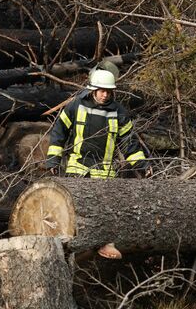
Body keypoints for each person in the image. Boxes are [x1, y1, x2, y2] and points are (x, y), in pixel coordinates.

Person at [45, 69, 148, 259]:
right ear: (93, 89)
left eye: (108, 91)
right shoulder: (76, 106)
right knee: (71, 207)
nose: (105, 94)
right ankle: (63, 244)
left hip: (104, 169)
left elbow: (129, 143)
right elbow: (59, 132)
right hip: (77, 166)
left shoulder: (119, 113)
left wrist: (141, 165)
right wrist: (53, 159)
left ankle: (106, 244)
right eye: (101, 90)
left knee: (107, 207)